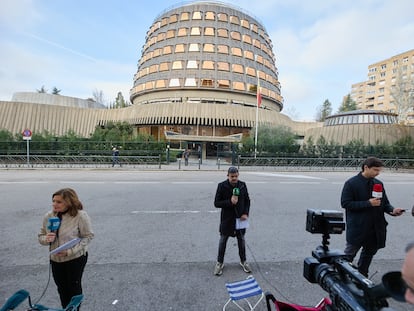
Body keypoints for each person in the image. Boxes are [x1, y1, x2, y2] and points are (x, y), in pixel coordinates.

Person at [341, 156, 404, 276]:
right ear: (366, 167)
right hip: (358, 227)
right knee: (349, 254)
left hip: (376, 227)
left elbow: (384, 203)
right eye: (375, 170)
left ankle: (362, 276)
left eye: (379, 170)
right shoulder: (351, 183)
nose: (378, 173)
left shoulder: (378, 184)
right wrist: (368, 203)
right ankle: (340, 276)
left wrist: (393, 210)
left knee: (368, 254)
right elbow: (345, 203)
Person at [38, 188, 94, 309]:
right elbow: (41, 235)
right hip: (56, 259)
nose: (54, 204)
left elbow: (88, 236)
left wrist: (69, 251)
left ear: (69, 202)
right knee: (62, 288)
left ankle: (74, 309)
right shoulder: (49, 216)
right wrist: (46, 239)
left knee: (73, 287)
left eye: (59, 202)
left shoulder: (80, 216)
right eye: (53, 201)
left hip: (75, 258)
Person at [213, 166, 251, 276]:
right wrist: (230, 202)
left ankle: (243, 261)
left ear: (238, 175)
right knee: (223, 241)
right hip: (227, 219)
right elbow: (216, 203)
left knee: (241, 240)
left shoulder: (242, 185)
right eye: (232, 176)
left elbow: (247, 201)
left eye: (236, 176)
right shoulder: (222, 186)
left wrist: (245, 213)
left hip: (240, 218)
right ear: (228, 176)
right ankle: (220, 263)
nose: (234, 178)